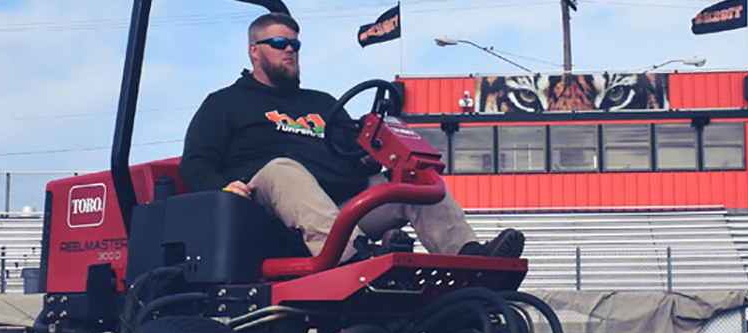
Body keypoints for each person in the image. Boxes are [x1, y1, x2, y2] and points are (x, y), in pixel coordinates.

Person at [180, 12, 524, 264]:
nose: (290, 51)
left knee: (412, 180)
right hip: (268, 212)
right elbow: (195, 163)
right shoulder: (225, 103)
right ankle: (354, 259)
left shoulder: (322, 103)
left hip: (342, 210)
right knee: (283, 168)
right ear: (254, 51)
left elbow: (353, 156)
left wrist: (371, 156)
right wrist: (222, 188)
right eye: (280, 44)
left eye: (295, 44)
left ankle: (469, 255)